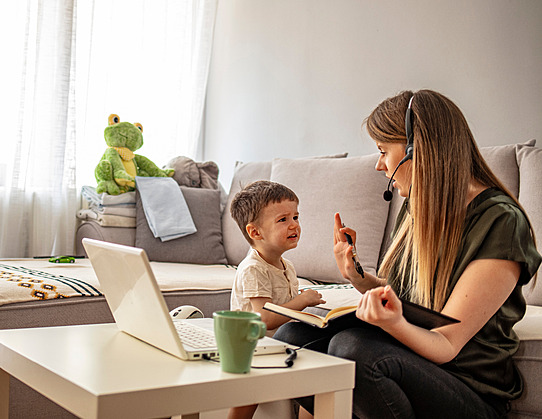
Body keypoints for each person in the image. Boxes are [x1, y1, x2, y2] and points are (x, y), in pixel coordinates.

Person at [273, 89, 542, 418]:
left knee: (352, 349)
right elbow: (409, 306)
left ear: (418, 149)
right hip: (413, 362)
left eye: (384, 151)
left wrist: (393, 323)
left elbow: (445, 344)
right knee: (292, 338)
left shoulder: (500, 221)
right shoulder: (418, 207)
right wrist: (357, 277)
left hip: (467, 389)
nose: (378, 164)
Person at [228, 180, 325, 419]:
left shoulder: (286, 265)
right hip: (252, 348)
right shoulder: (253, 268)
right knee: (249, 395)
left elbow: (284, 306)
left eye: (295, 217)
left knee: (319, 368)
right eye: (283, 220)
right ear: (255, 232)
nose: (294, 225)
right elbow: (263, 318)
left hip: (280, 344)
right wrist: (302, 302)